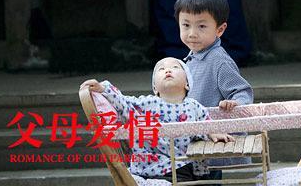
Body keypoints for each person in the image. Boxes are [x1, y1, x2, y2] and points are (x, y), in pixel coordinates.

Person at [79, 57, 234, 183]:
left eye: (175, 67)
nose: (167, 70)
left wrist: (214, 132)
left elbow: (205, 124)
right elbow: (123, 103)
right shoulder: (146, 104)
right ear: (155, 88)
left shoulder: (194, 106)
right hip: (148, 166)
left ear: (187, 83)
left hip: (179, 166)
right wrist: (103, 89)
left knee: (201, 174)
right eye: (161, 69)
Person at [176, 0, 254, 169]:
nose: (192, 33)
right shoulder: (189, 59)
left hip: (219, 149)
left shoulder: (219, 60)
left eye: (202, 26)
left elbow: (243, 92)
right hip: (199, 145)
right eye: (186, 25)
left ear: (220, 29)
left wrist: (234, 103)